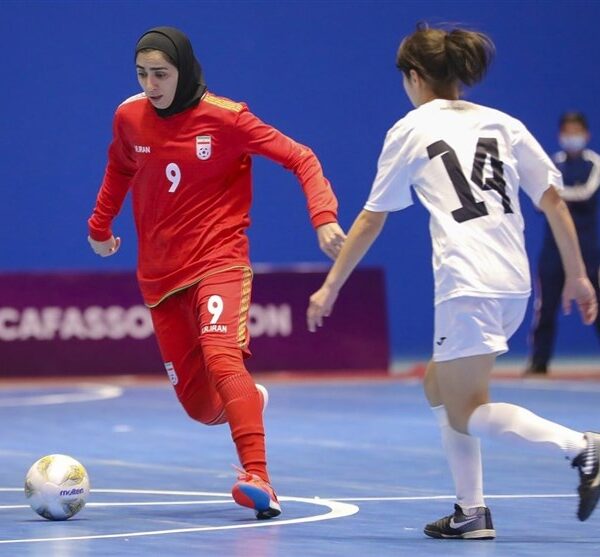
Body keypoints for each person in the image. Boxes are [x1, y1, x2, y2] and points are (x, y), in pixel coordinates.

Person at [307, 23, 599, 540]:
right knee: (438, 384)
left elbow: (373, 218)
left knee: (466, 412)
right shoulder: (504, 123)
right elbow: (553, 202)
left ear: (415, 76)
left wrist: (331, 285)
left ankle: (582, 446)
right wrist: (578, 275)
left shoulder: (411, 129)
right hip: (512, 278)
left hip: (468, 280)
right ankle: (472, 512)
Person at [87, 26, 345, 520]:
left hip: (218, 260)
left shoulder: (229, 119)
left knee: (222, 356)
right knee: (200, 407)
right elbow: (119, 167)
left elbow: (301, 158)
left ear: (183, 70)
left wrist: (323, 215)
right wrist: (99, 225)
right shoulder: (129, 117)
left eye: (160, 74)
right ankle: (247, 399)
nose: (150, 84)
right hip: (159, 277)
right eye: (142, 74)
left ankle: (259, 480)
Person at [527, 111, 600, 375]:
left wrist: (555, 198)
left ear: (587, 134)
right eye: (567, 132)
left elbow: (585, 194)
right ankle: (538, 363)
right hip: (552, 252)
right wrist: (552, 199)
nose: (572, 137)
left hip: (589, 252)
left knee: (596, 303)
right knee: (545, 308)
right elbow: (539, 200)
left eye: (576, 131)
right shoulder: (552, 164)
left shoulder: (595, 164)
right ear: (560, 136)